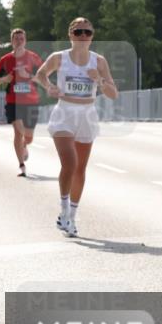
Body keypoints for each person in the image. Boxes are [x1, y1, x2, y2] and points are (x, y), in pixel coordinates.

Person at [33, 17, 118, 237]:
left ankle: (70, 215)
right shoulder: (59, 58)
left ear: (92, 36)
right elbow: (40, 74)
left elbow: (113, 94)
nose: (82, 36)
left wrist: (99, 80)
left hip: (87, 114)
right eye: (78, 31)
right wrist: (49, 86)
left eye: (87, 32)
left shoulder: (98, 61)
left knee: (80, 168)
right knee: (69, 163)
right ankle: (63, 209)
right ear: (70, 34)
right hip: (65, 113)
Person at [0, 28, 44, 176]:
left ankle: (25, 145)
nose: (19, 41)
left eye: (21, 38)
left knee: (29, 137)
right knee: (18, 132)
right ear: (12, 41)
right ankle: (22, 166)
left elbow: (43, 77)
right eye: (16, 39)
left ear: (25, 40)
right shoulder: (5, 59)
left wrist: (29, 76)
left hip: (30, 101)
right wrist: (4, 79)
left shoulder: (33, 57)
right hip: (12, 100)